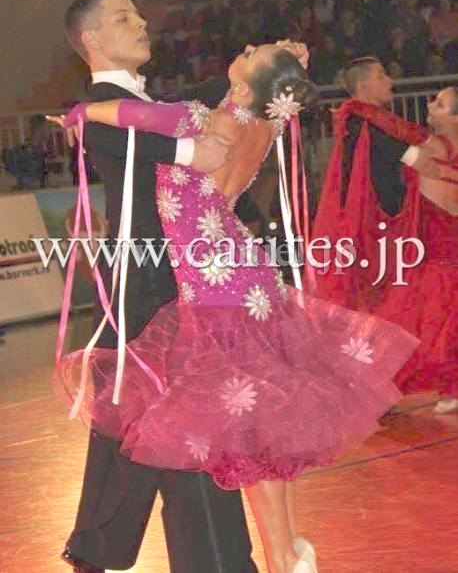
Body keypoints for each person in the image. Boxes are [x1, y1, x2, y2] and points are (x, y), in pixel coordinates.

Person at [54, 44, 420, 573]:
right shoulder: (264, 123)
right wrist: (280, 66)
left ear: (246, 86)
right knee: (268, 425)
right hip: (245, 277)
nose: (242, 49)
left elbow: (135, 113)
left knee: (251, 434)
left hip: (216, 286)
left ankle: (282, 556)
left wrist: (82, 111)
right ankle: (289, 549)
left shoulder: (206, 121)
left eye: (250, 54)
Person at [55, 0, 258, 573]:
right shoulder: (102, 112)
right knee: (185, 420)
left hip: (166, 272)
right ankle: (214, 562)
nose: (141, 23)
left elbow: (205, 134)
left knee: (133, 416)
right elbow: (195, 150)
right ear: (92, 39)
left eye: (139, 14)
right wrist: (200, 139)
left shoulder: (139, 106)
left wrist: (244, 86)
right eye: (124, 17)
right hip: (146, 277)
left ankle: (99, 545)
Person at [312, 57, 455, 312]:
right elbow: (372, 136)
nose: (390, 81)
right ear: (363, 86)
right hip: (368, 223)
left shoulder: (384, 123)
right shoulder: (355, 118)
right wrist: (409, 154)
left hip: (394, 224)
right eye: (381, 75)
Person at [376, 88, 458, 414]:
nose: (429, 104)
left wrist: (356, 107)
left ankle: (386, 388)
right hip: (439, 246)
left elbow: (393, 129)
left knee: (422, 320)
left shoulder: (438, 144)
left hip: (438, 248)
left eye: (439, 104)